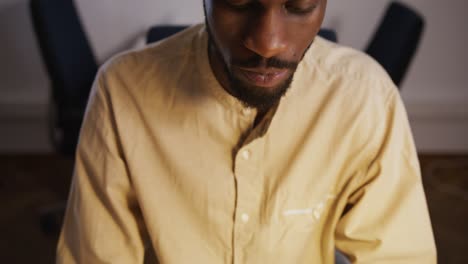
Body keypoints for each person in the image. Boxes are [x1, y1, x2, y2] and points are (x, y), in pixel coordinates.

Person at [57, 0, 437, 263]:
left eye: (299, 6)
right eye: (237, 3)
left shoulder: (364, 96)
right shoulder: (122, 92)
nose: (267, 42)